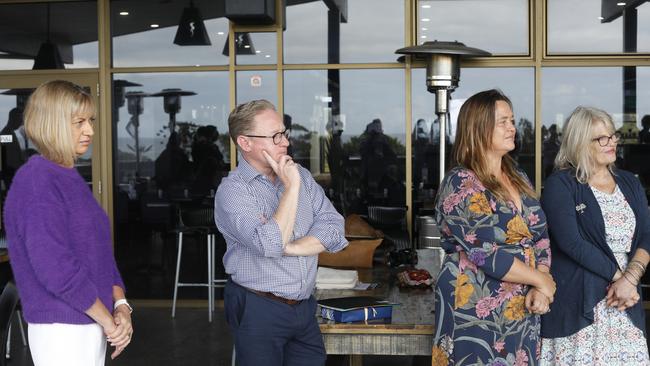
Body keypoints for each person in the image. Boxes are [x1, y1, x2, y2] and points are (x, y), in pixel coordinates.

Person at [3, 80, 133, 366]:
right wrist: (109, 322)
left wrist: (121, 306)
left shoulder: (67, 176)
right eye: (79, 122)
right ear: (52, 124)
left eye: (90, 120)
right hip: (63, 329)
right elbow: (55, 269)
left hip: (89, 322)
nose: (90, 130)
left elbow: (100, 255)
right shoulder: (37, 180)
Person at [214, 99, 348, 366]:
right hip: (258, 307)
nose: (285, 142)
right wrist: (292, 189)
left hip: (304, 308)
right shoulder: (234, 191)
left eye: (283, 133)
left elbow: (334, 227)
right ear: (245, 143)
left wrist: (293, 247)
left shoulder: (300, 175)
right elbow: (271, 245)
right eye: (275, 136)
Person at [431, 89, 555, 366]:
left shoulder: (517, 176)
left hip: (523, 307)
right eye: (504, 122)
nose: (513, 127)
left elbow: (541, 236)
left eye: (512, 120)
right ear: (479, 127)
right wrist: (540, 280)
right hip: (476, 310)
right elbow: (485, 253)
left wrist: (540, 286)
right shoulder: (461, 182)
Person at [539, 106, 650, 365]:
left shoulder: (629, 182)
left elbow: (646, 234)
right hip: (581, 306)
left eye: (612, 136)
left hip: (624, 303)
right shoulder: (561, 184)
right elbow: (572, 243)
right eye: (602, 138)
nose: (611, 143)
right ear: (580, 142)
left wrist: (630, 280)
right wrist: (620, 279)